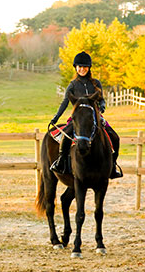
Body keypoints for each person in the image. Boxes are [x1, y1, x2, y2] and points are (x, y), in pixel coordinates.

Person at [49, 51, 123, 179]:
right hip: (77, 119)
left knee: (115, 137)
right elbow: (65, 102)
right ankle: (61, 162)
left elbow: (101, 99)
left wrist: (103, 106)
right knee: (66, 137)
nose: (82, 69)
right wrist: (56, 117)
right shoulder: (72, 85)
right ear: (76, 67)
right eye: (79, 67)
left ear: (88, 68)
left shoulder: (96, 83)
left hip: (95, 118)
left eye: (84, 67)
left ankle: (113, 165)